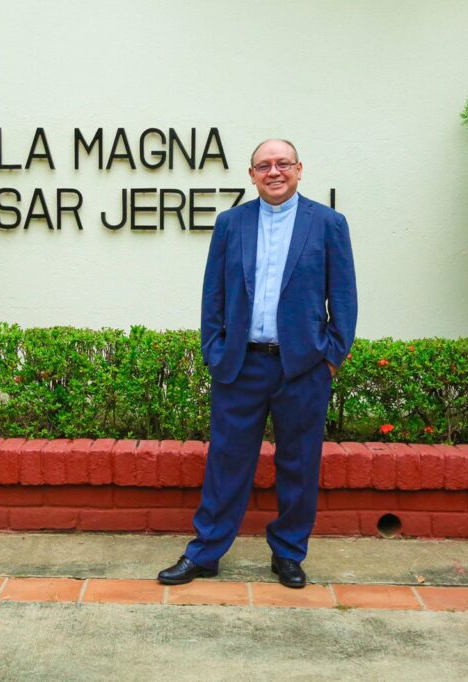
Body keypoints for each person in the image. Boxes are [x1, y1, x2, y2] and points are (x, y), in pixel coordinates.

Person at [158, 139, 357, 588]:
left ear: (299, 169)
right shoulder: (232, 224)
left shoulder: (327, 224)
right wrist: (215, 350)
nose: (274, 171)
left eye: (283, 163)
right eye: (264, 165)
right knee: (226, 462)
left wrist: (330, 358)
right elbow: (214, 295)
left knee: (299, 464)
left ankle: (288, 553)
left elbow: (343, 297)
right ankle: (206, 552)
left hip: (303, 368)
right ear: (251, 175)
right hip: (241, 365)